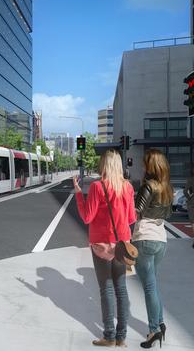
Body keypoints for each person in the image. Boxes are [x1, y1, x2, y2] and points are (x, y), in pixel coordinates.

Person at [74, 149, 136, 348]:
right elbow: (131, 219)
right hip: (122, 246)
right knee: (122, 290)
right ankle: (121, 337)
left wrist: (77, 194)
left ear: (104, 165)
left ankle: (109, 336)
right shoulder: (127, 187)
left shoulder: (97, 187)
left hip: (101, 245)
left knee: (106, 290)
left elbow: (86, 217)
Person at [133, 149, 173, 348]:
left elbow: (136, 211)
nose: (142, 166)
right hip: (161, 239)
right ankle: (160, 323)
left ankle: (154, 330)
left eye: (144, 163)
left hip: (145, 238)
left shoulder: (148, 186)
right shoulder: (167, 187)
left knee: (149, 287)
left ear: (149, 166)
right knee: (153, 285)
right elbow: (169, 213)